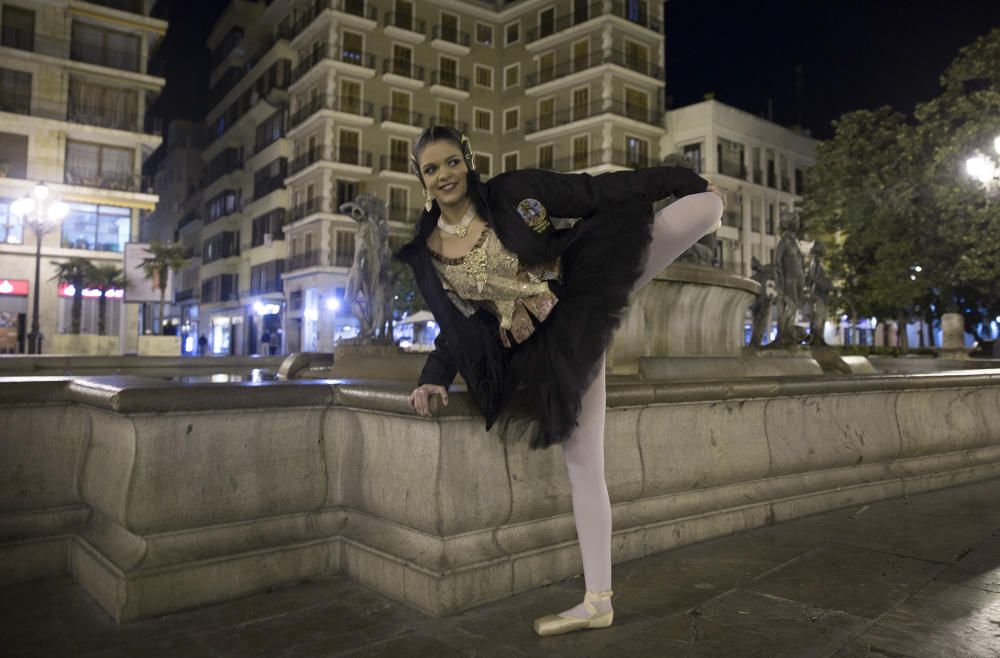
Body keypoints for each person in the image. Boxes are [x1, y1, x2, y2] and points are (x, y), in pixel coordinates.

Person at [395, 126, 723, 636]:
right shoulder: (428, 253)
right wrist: (433, 376)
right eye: (432, 168)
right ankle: (598, 601)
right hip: (547, 354)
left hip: (582, 288)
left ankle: (709, 197)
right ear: (421, 178)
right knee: (584, 462)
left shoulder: (509, 191)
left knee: (703, 208)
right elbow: (455, 327)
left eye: (451, 162)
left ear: (467, 161)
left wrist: (685, 180)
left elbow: (595, 192)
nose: (445, 175)